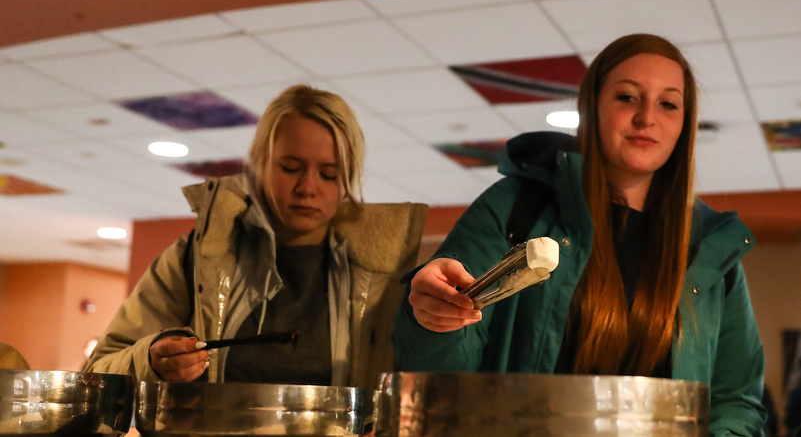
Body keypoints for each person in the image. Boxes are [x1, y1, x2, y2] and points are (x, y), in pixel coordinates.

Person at [393, 34, 766, 435]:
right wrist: (432, 318)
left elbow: (736, 400)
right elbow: (439, 375)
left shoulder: (712, 246)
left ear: (684, 125)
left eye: (668, 104)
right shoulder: (514, 206)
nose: (646, 117)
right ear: (591, 106)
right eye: (627, 97)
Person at [85, 84, 427, 391]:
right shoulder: (198, 255)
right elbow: (99, 370)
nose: (307, 188)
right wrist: (151, 361)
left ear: (348, 179)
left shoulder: (385, 273)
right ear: (259, 163)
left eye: (328, 174)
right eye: (290, 168)